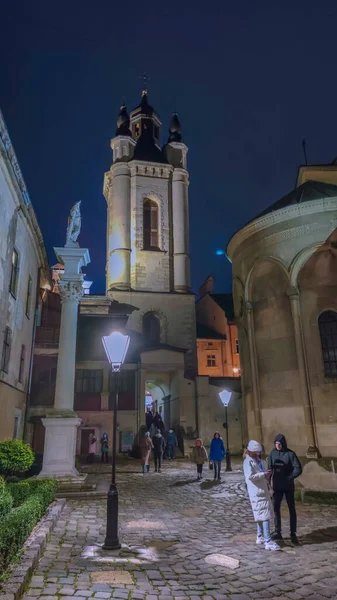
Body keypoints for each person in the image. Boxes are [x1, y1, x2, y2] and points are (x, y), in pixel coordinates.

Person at [243, 440, 280, 551]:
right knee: (265, 516)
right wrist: (263, 474)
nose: (259, 454)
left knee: (260, 515)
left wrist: (266, 474)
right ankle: (268, 541)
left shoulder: (257, 460)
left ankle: (260, 536)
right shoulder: (248, 462)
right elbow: (250, 476)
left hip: (262, 490)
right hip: (257, 492)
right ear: (252, 451)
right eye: (257, 452)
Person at [268, 433, 302, 544]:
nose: (277, 446)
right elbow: (270, 469)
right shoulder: (272, 454)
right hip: (277, 486)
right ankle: (277, 531)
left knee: (291, 509)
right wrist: (268, 482)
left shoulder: (290, 454)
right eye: (276, 444)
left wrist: (290, 477)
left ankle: (293, 533)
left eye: (279, 444)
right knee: (276, 508)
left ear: (283, 444)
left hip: (288, 486)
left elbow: (298, 468)